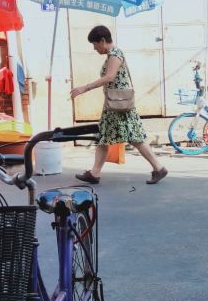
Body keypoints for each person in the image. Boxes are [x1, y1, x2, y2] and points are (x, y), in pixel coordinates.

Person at [70, 25, 168, 185]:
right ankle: (95, 173)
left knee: (134, 138)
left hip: (120, 106)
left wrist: (84, 88)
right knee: (104, 138)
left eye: (95, 44)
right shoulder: (112, 55)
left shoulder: (115, 54)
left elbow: (109, 77)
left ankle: (159, 167)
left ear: (103, 40)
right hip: (113, 105)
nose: (94, 48)